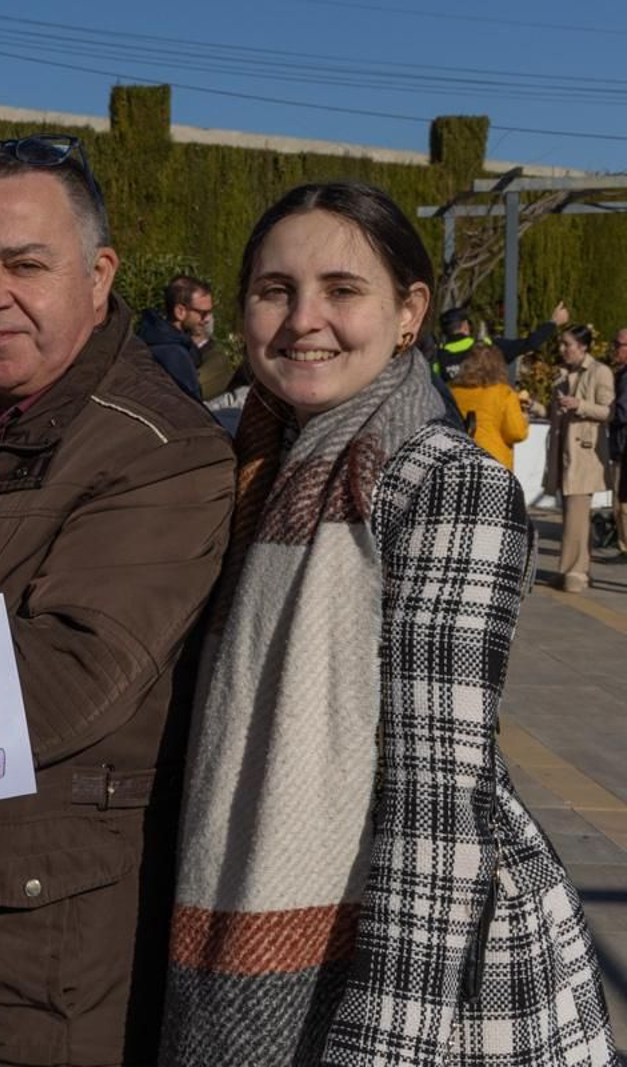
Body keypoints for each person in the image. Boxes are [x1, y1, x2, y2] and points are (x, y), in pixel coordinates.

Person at [163, 182, 615, 1066]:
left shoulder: (444, 479)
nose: (304, 320)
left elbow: (438, 805)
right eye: (274, 290)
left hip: (416, 968)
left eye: (342, 289)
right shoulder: (251, 463)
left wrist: (386, 1047)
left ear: (409, 313)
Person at [0, 134, 235, 1066]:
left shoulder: (155, 446)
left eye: (26, 264)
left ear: (99, 274)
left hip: (25, 960)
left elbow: (66, 673)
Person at [546, 323, 617, 592]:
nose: (563, 350)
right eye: (562, 344)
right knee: (572, 516)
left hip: (585, 457)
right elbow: (555, 415)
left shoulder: (600, 372)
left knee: (576, 516)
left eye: (568, 345)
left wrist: (580, 405)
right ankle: (575, 571)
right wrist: (538, 406)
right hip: (564, 455)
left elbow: (607, 412)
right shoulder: (563, 375)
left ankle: (574, 573)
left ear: (583, 346)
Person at [435, 300, 569, 381]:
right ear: (465, 326)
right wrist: (553, 322)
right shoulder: (487, 347)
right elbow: (530, 343)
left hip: (452, 423)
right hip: (485, 422)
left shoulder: (437, 358)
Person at [448, 342, 528, 469]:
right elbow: (516, 433)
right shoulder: (504, 393)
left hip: (459, 459)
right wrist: (524, 416)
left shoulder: (453, 391)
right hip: (494, 463)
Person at [134, 274, 211, 400]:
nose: (207, 319)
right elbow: (192, 406)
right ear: (180, 311)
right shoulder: (174, 355)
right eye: (203, 313)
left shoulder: (150, 337)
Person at [610, 327, 627, 555]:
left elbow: (622, 412)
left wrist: (602, 411)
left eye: (618, 345)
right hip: (622, 445)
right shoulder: (621, 373)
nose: (614, 348)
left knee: (622, 502)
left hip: (624, 446)